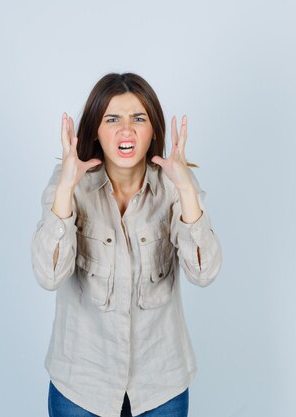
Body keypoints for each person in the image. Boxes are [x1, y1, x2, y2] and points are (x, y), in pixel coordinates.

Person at [31, 73, 222, 417]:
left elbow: (204, 272)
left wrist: (187, 190)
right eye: (112, 119)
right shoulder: (68, 187)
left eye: (138, 119)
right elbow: (48, 275)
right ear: (95, 131)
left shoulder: (174, 187)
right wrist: (64, 190)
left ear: (153, 131)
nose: (126, 130)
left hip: (160, 386)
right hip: (80, 386)